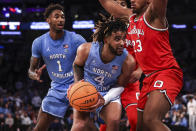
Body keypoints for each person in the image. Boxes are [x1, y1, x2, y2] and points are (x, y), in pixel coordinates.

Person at [99, 0, 183, 131]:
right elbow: (106, 3)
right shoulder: (130, 17)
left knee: (151, 119)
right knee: (140, 126)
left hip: (166, 72)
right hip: (149, 78)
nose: (132, 0)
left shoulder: (154, 15)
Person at [71, 16, 136, 131]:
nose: (122, 43)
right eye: (117, 39)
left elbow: (121, 85)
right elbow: (77, 65)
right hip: (87, 89)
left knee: (114, 122)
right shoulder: (85, 49)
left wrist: (104, 99)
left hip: (109, 91)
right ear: (106, 39)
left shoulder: (128, 61)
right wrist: (78, 84)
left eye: (124, 38)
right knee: (80, 125)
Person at [28, 4, 86, 131]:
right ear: (48, 20)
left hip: (77, 85)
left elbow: (90, 60)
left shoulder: (76, 39)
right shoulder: (39, 42)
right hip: (57, 88)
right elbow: (31, 70)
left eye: (63, 17)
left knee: (83, 124)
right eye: (56, 17)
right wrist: (34, 74)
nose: (61, 19)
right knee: (39, 126)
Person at [99, 1, 142, 131]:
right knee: (108, 123)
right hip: (111, 83)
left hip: (130, 84)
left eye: (123, 4)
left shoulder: (136, 26)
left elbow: (146, 52)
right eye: (116, 4)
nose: (119, 7)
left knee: (136, 121)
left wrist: (140, 70)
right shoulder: (105, 31)